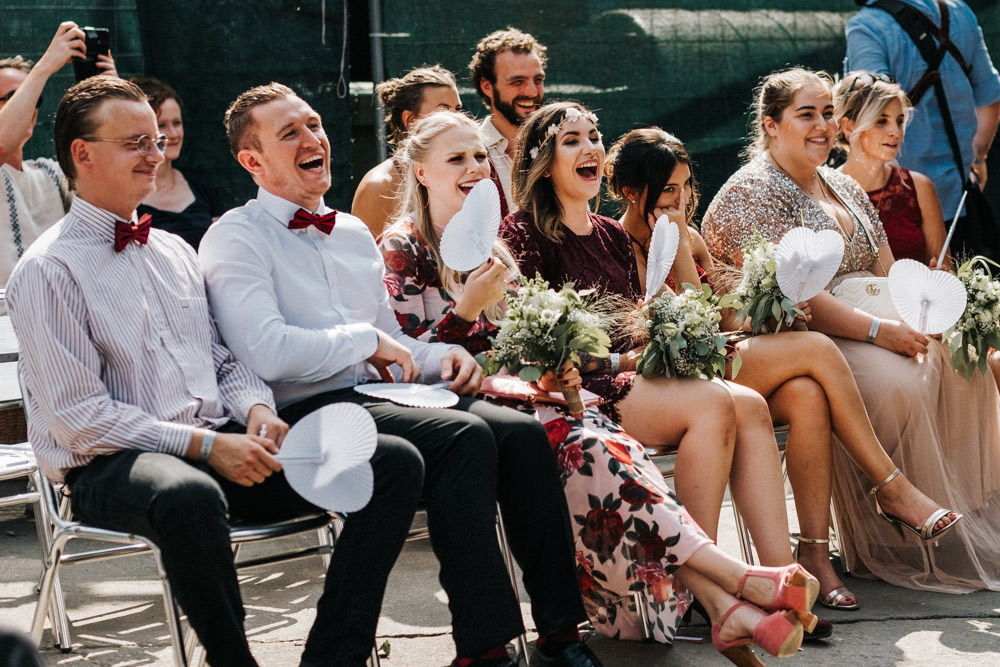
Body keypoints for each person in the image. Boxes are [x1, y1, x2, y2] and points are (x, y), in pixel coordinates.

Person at [379, 110, 817, 665]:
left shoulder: (497, 249)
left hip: (545, 400)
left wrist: (559, 362)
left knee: (618, 447)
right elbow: (405, 364)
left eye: (477, 156)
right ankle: (733, 584)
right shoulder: (406, 248)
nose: (473, 167)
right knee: (604, 447)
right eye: (455, 158)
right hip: (476, 416)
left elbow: (520, 348)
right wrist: (468, 311)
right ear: (420, 172)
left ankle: (722, 604)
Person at [6, 75, 415, 667]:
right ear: (82, 154)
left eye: (157, 138)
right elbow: (79, 420)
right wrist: (204, 447)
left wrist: (257, 410)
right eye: (136, 143)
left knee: (390, 460)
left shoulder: (173, 249)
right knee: (189, 495)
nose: (157, 153)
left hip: (216, 443)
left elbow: (222, 358)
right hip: (111, 467)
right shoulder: (48, 269)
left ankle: (334, 656)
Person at [199, 82, 602, 667]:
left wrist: (445, 358)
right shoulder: (235, 236)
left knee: (516, 431)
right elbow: (266, 354)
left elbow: (396, 341)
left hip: (377, 394)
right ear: (251, 161)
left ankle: (563, 632)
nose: (314, 138)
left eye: (315, 124)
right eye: (291, 133)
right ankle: (485, 648)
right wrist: (368, 341)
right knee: (463, 438)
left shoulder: (351, 233)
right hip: (299, 412)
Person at [496, 101, 836, 641]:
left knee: (746, 402)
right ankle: (707, 590)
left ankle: (782, 578)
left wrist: (668, 331)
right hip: (579, 391)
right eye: (571, 141)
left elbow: (638, 319)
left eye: (594, 136)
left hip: (634, 375)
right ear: (544, 162)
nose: (589, 147)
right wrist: (620, 358)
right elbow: (528, 345)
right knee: (712, 401)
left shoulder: (610, 233)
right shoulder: (523, 233)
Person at [606, 126, 961, 611]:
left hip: (717, 357)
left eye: (687, 186)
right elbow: (683, 323)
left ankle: (809, 560)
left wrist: (770, 310)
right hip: (670, 376)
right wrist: (681, 254)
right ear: (630, 190)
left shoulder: (690, 235)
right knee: (814, 349)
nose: (682, 199)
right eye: (670, 188)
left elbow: (724, 316)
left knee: (806, 394)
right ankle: (892, 487)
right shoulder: (615, 241)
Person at [701, 67, 1000, 594]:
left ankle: (953, 518)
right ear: (771, 125)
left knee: (960, 360)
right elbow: (800, 296)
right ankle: (887, 528)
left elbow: (886, 265)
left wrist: (921, 315)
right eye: (806, 114)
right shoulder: (751, 189)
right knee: (901, 382)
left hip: (870, 314)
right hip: (803, 334)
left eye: (826, 112)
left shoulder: (841, 183)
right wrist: (882, 332)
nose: (823, 125)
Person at [845, 0, 1000, 257]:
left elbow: (869, 109)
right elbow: (990, 97)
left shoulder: (868, 25)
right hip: (958, 196)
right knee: (957, 290)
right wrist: (978, 158)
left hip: (898, 209)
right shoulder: (958, 11)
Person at [0, 21, 115, 288]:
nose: (29, 104)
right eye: (14, 96)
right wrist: (45, 66)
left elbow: (109, 179)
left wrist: (110, 95)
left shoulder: (49, 173)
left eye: (34, 97)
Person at [834, 72, 948, 267]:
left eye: (900, 121)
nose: (895, 131)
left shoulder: (919, 187)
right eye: (881, 120)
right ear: (849, 126)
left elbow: (945, 270)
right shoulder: (823, 189)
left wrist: (937, 277)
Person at [351, 65, 462, 237]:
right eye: (444, 111)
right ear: (410, 120)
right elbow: (366, 260)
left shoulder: (463, 173)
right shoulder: (379, 185)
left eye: (458, 110)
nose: (457, 119)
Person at [129, 76, 227, 249]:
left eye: (177, 123)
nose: (174, 134)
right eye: (162, 125)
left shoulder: (204, 189)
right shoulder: (127, 201)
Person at [469, 27, 546, 212]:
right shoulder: (469, 151)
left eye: (538, 80)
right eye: (517, 82)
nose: (532, 92)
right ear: (487, 86)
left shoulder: (559, 143)